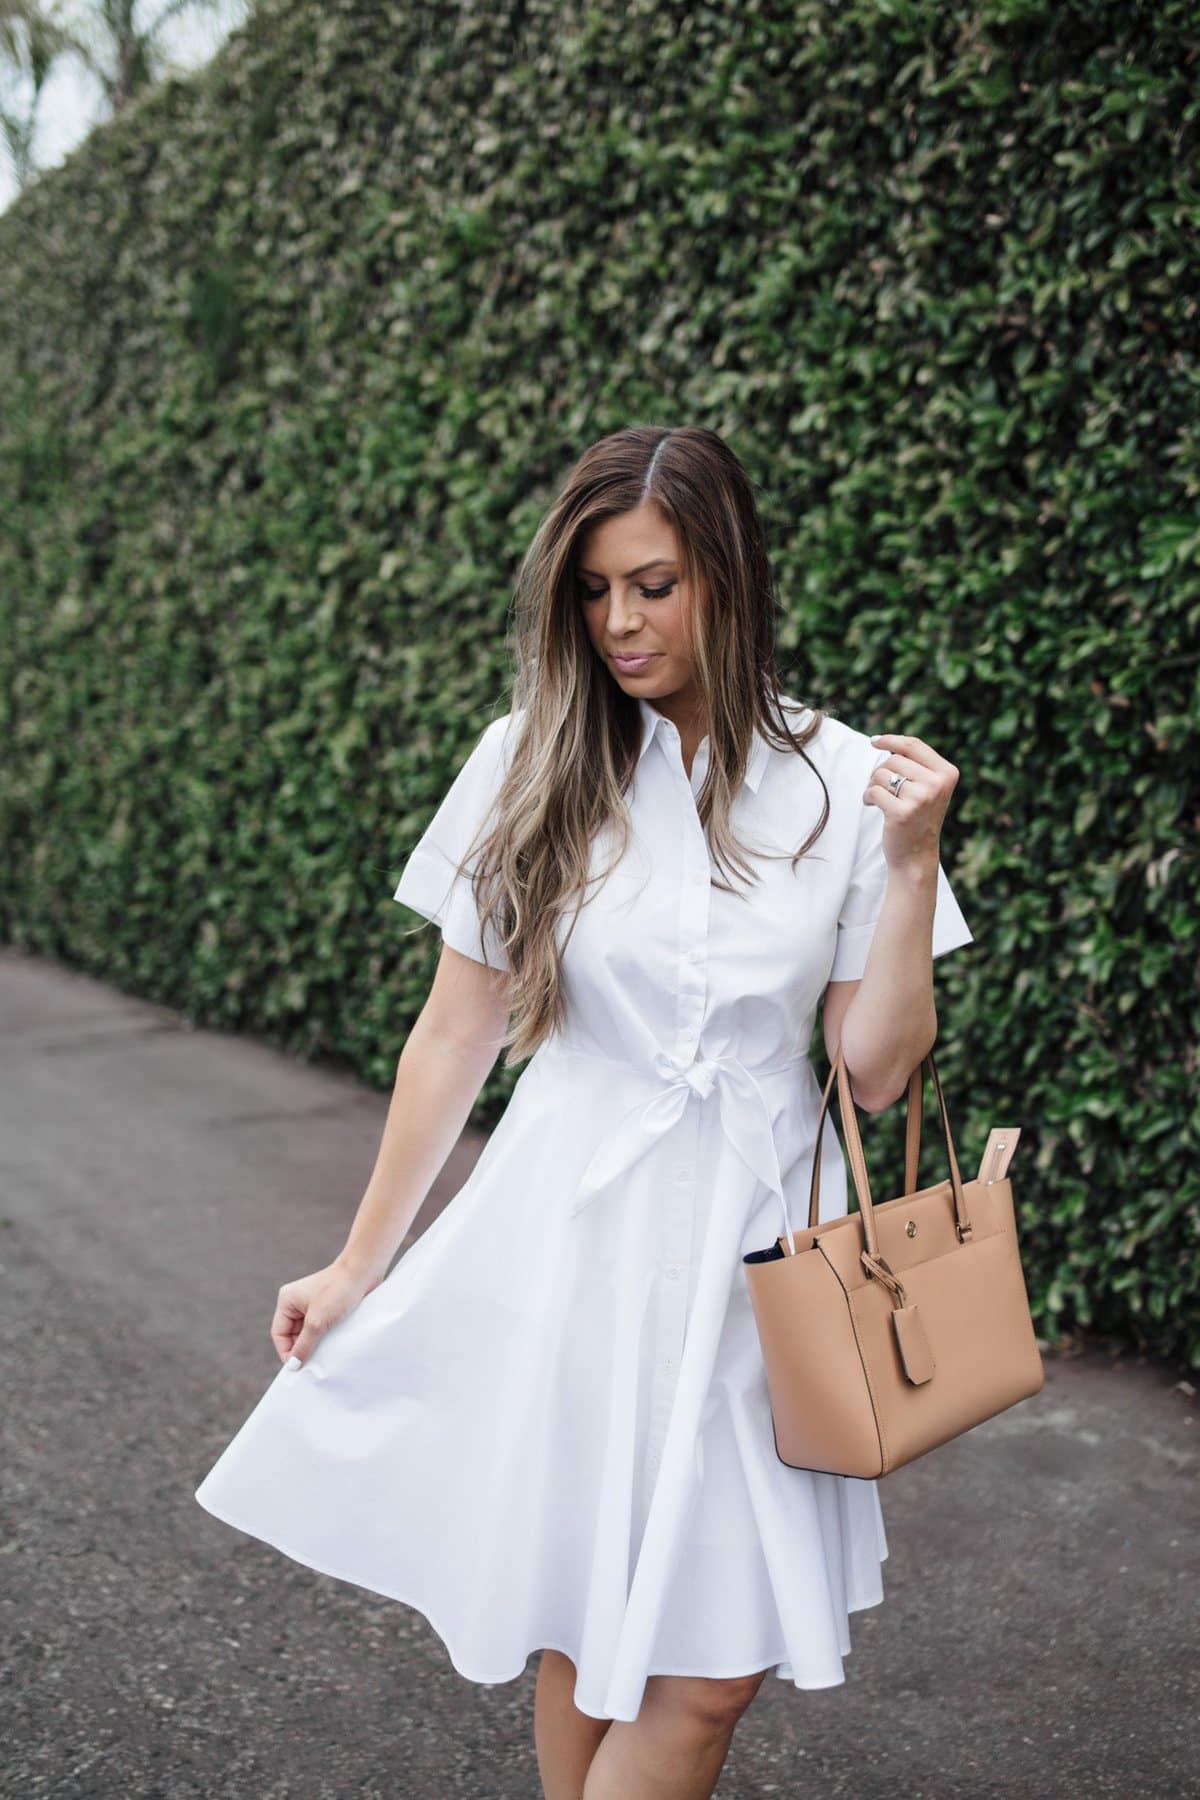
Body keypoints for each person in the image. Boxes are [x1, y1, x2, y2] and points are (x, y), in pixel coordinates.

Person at [194, 423, 973, 1800]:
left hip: (764, 1240)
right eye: (595, 590)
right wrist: (358, 1263)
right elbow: (455, 1034)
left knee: (709, 1672)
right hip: (574, 1223)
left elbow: (875, 1071)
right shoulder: (530, 756)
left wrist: (909, 868)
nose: (619, 622)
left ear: (728, 578)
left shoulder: (845, 780)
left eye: (655, 584)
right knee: (584, 1611)